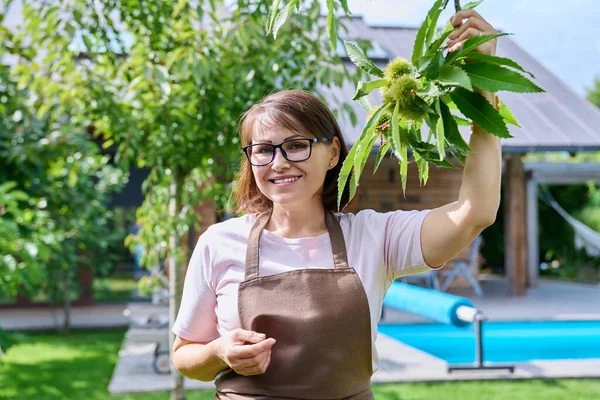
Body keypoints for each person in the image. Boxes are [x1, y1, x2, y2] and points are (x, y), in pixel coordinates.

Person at [172, 10, 501, 399]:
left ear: (331, 154)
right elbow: (185, 355)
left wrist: (483, 89)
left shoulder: (375, 236)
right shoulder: (219, 242)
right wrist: (219, 351)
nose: (279, 163)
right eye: (263, 150)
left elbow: (474, 213)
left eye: (296, 145)